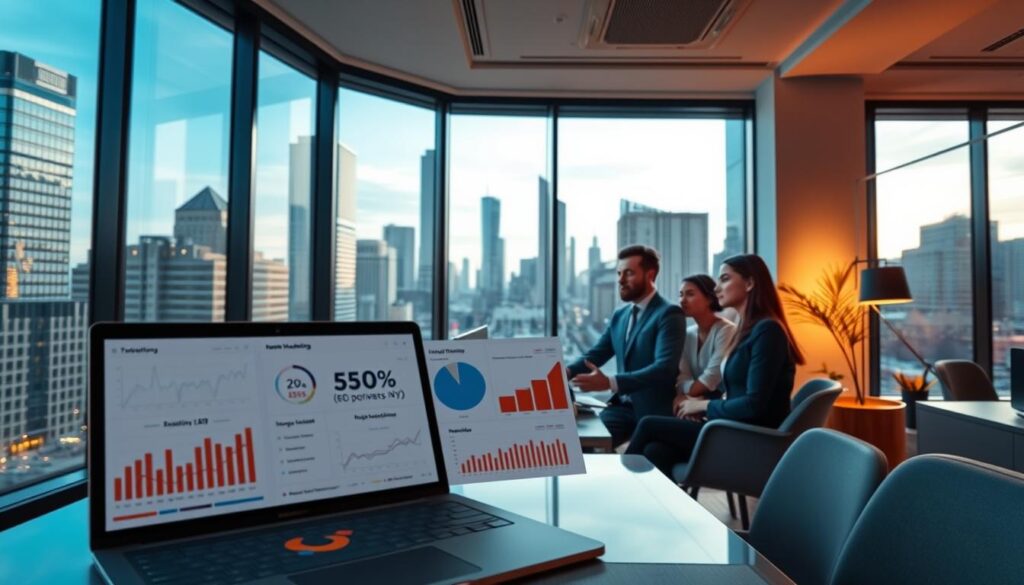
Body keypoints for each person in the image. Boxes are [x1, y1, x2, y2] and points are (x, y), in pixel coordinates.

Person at [625, 254, 806, 479]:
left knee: (648, 424)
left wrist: (702, 407)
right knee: (656, 451)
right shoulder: (749, 329)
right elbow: (738, 394)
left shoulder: (768, 331)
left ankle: (616, 487)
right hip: (731, 427)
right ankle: (658, 511)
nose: (717, 288)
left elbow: (754, 405)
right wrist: (703, 407)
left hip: (747, 438)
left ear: (749, 283)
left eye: (725, 279)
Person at [567, 245, 685, 447]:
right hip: (622, 408)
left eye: (629, 273)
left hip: (654, 411)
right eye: (619, 273)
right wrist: (564, 372)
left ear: (650, 274)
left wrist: (610, 382)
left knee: (637, 462)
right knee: (584, 444)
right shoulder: (620, 315)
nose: (620, 280)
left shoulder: (669, 314)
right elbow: (595, 354)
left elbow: (664, 369)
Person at [673, 274, 735, 415]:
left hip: (721, 405)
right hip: (695, 404)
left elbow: (713, 376)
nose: (682, 300)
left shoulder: (727, 330)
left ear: (709, 298)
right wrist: (689, 399)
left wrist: (687, 398)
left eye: (690, 294)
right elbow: (682, 378)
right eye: (680, 295)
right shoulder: (686, 334)